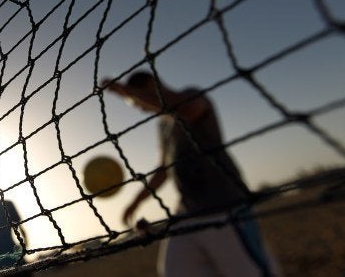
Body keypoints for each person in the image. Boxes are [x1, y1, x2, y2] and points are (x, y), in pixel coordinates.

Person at [103, 71, 279, 277]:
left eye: (138, 101)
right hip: (187, 211)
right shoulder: (162, 125)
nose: (140, 109)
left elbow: (189, 110)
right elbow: (163, 170)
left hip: (225, 205)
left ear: (151, 85)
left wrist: (125, 92)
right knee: (175, 271)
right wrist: (135, 202)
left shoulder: (190, 95)